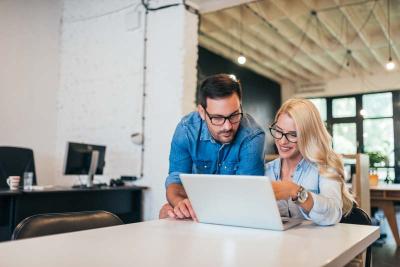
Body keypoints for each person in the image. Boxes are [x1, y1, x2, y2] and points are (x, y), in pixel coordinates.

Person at [161, 74, 265, 220]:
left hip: (236, 211)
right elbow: (176, 180)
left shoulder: (253, 136)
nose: (228, 126)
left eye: (234, 115)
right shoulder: (186, 130)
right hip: (197, 207)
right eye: (217, 118)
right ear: (202, 112)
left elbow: (247, 194)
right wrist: (180, 204)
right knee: (166, 211)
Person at [266, 98, 354, 225]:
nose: (282, 141)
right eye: (279, 131)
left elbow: (333, 214)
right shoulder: (266, 170)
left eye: (293, 134)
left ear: (308, 135)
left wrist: (296, 191)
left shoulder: (325, 168)